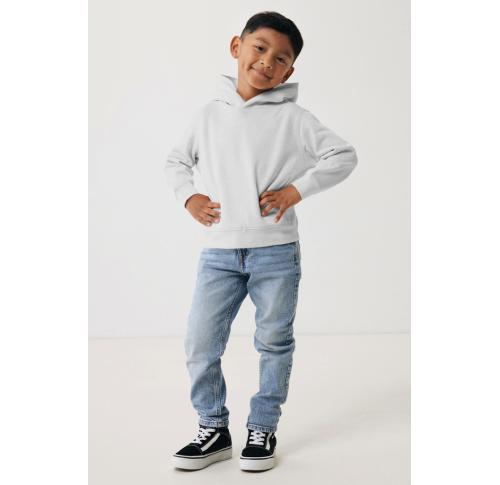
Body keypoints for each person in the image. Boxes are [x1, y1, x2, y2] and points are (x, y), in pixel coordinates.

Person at [165, 11, 358, 472]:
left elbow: (343, 155)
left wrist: (296, 191)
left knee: (273, 342)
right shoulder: (209, 114)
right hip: (219, 252)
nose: (267, 62)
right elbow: (176, 161)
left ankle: (263, 426)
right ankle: (213, 428)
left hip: (275, 253)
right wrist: (189, 196)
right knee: (200, 342)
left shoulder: (294, 118)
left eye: (280, 58)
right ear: (237, 46)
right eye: (260, 48)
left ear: (289, 71)